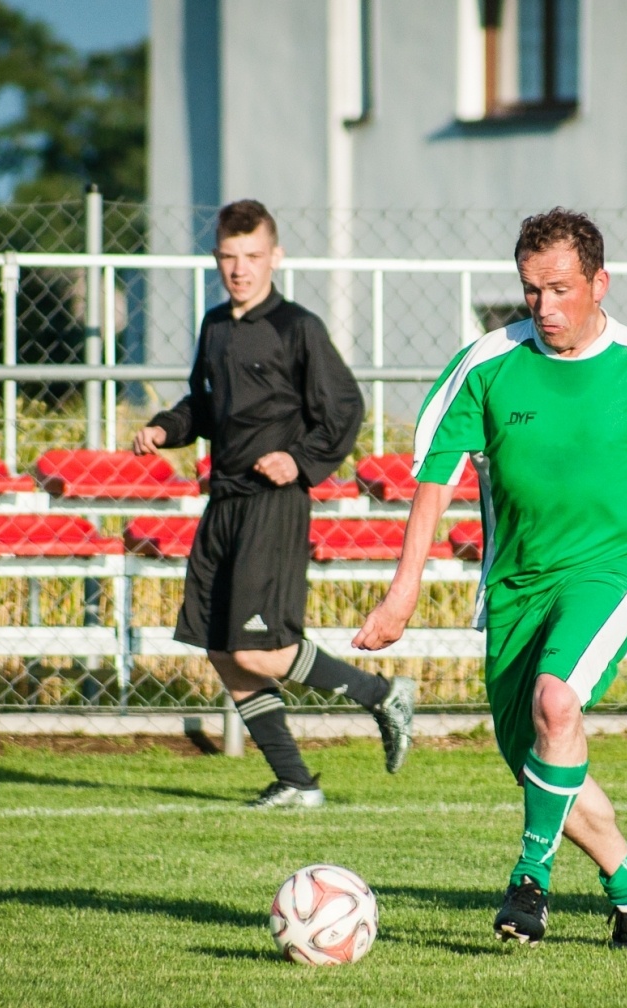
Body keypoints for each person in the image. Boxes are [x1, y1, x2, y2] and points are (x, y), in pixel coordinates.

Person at [352, 208, 627, 947]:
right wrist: (402, 591)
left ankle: (529, 882)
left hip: (614, 566)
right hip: (516, 585)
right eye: (531, 290)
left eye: (561, 289)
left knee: (556, 701)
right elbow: (434, 484)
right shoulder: (486, 365)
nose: (544, 307)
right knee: (542, 755)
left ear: (600, 284)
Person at [134, 199, 415, 808]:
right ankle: (295, 781)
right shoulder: (214, 326)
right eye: (229, 258)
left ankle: (382, 694)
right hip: (224, 501)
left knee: (264, 650)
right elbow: (204, 407)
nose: (241, 269)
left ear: (275, 257)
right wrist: (165, 428)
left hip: (274, 503)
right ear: (216, 260)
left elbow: (344, 408)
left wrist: (300, 460)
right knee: (218, 644)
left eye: (253, 256)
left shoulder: (298, 327)